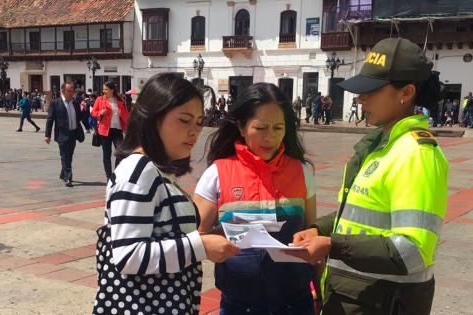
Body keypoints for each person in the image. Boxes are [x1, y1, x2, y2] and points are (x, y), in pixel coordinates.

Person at [287, 38, 448, 315]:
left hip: (384, 303)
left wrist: (331, 245)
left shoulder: (416, 154)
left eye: (371, 90)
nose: (360, 99)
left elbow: (411, 251)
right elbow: (359, 216)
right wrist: (321, 229)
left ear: (406, 92)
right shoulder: (380, 145)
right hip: (356, 299)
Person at [92, 72, 239, 315]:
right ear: (153, 118)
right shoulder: (138, 170)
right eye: (184, 120)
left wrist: (215, 235)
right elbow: (128, 255)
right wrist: (200, 246)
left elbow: (162, 235)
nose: (194, 131)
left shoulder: (155, 170)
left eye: (199, 122)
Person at [194, 83, 317, 314]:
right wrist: (220, 237)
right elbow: (197, 237)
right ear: (241, 126)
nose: (270, 137)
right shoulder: (217, 173)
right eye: (260, 128)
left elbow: (313, 233)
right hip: (240, 305)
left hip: (296, 302)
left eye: (278, 127)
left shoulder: (302, 172)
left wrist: (319, 291)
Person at [44, 82, 85, 188]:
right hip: (62, 134)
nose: (72, 93)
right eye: (69, 91)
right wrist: (47, 135)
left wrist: (84, 109)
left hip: (73, 133)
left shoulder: (75, 103)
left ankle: (63, 173)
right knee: (65, 156)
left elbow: (79, 117)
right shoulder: (55, 103)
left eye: (73, 91)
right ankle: (68, 178)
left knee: (69, 156)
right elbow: (50, 119)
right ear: (63, 91)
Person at [91, 81, 129, 180]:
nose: (104, 91)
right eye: (103, 89)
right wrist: (100, 112)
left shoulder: (119, 100)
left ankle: (116, 173)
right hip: (105, 131)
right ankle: (109, 176)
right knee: (106, 154)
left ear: (112, 90)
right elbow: (93, 113)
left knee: (121, 153)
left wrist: (127, 127)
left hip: (117, 130)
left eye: (106, 89)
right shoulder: (100, 99)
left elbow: (126, 116)